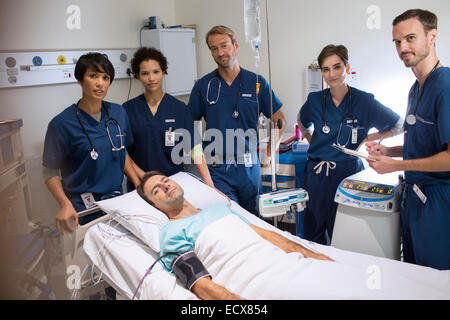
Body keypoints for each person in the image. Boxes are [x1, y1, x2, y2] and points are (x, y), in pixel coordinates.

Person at [136, 171, 332, 300]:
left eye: (166, 180)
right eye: (156, 190)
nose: (165, 186)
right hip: (262, 284)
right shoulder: (171, 233)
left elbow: (269, 236)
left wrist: (318, 258)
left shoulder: (220, 209)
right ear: (155, 205)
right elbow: (201, 284)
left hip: (292, 266)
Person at [366, 9, 450, 270]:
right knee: (413, 274)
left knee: (436, 281)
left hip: (438, 202)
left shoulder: (445, 86)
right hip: (414, 199)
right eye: (397, 42)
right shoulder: (415, 89)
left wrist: (398, 166)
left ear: (432, 36)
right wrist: (388, 152)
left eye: (410, 38)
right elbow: (424, 143)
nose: (403, 47)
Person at [297, 44, 403, 245]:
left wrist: (371, 138)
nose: (332, 74)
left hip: (347, 174)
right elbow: (302, 122)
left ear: (347, 67)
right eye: (326, 69)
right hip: (316, 175)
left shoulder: (364, 101)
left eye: (337, 67)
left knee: (344, 232)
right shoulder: (315, 99)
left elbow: (399, 125)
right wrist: (313, 142)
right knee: (312, 231)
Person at [188, 25, 286, 215]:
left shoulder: (257, 83)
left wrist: (267, 156)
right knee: (228, 220)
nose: (220, 52)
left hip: (249, 168)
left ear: (236, 45)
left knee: (254, 221)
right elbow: (189, 128)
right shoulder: (203, 86)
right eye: (214, 48)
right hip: (217, 169)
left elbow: (279, 120)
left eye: (224, 45)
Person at [43, 52, 140, 235]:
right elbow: (49, 172)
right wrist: (64, 204)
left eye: (105, 77)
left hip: (117, 202)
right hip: (82, 208)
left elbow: (122, 153)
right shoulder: (61, 124)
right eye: (93, 76)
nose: (100, 83)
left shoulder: (118, 113)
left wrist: (138, 186)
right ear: (80, 79)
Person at [123, 47, 216, 192]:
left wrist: (209, 184)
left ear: (163, 72)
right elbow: (121, 152)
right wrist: (142, 179)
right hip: (141, 183)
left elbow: (195, 149)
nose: (151, 78)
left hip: (173, 184)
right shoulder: (128, 109)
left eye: (156, 72)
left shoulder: (179, 108)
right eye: (145, 73)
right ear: (137, 76)